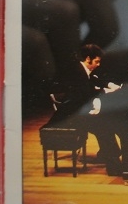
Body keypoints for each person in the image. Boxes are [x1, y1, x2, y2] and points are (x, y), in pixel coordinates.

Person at [53, 44, 122, 173]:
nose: (98, 65)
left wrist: (108, 85)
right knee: (103, 126)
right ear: (88, 58)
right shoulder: (77, 72)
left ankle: (107, 155)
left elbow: (92, 81)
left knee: (104, 122)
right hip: (70, 117)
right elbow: (84, 93)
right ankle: (113, 166)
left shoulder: (82, 69)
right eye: (97, 61)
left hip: (77, 112)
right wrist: (105, 92)